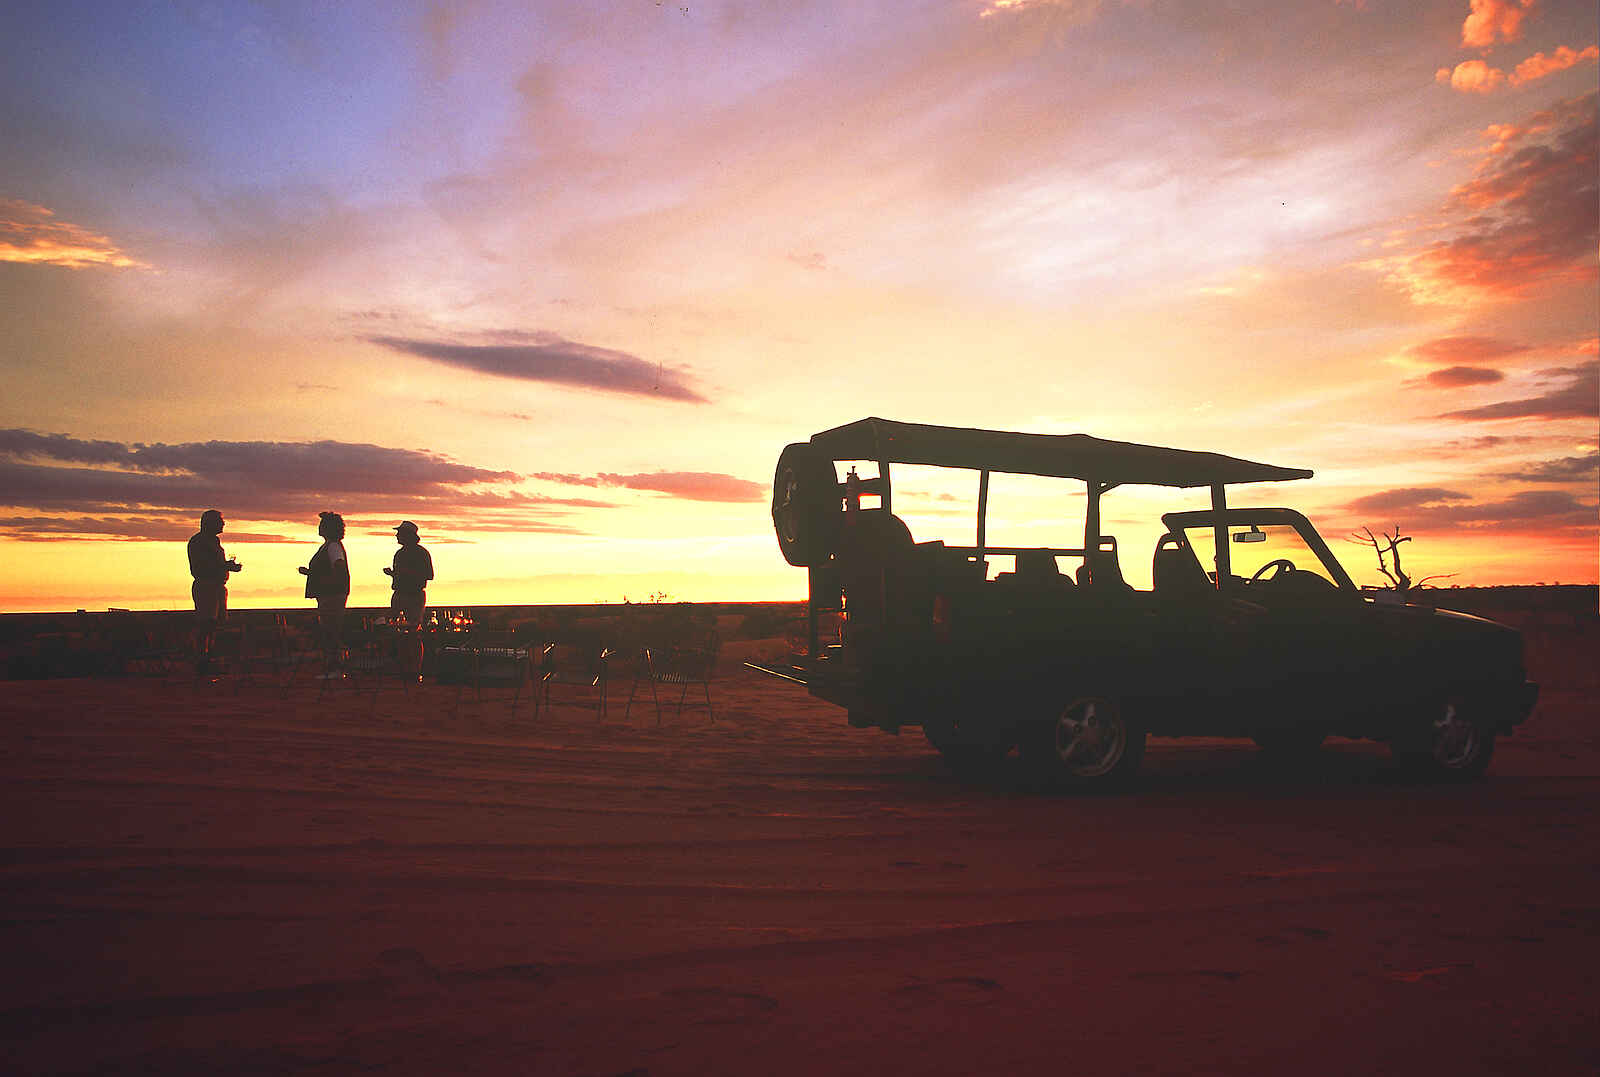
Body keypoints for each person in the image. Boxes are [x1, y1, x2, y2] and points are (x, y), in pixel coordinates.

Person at [187, 509, 241, 673]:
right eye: (220, 521)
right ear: (209, 523)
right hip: (206, 587)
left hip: (217, 586)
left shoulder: (213, 541)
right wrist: (226, 566)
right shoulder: (198, 541)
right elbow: (202, 567)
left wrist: (227, 567)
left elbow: (213, 563)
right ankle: (201, 660)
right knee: (206, 624)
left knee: (215, 624)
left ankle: (208, 658)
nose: (223, 524)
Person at [299, 511, 350, 673]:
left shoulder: (333, 546)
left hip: (332, 595)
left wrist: (327, 583)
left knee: (331, 630)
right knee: (330, 630)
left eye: (322, 524)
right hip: (329, 594)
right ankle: (334, 666)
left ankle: (335, 667)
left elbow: (339, 566)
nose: (319, 527)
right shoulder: (330, 546)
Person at [385, 520, 434, 676]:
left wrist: (402, 573)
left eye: (399, 533)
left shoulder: (421, 553)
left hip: (414, 595)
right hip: (400, 594)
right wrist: (394, 574)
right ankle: (402, 666)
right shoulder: (400, 554)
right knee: (396, 630)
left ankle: (414, 670)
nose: (396, 535)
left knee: (413, 632)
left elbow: (429, 575)